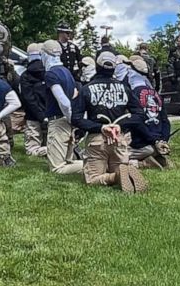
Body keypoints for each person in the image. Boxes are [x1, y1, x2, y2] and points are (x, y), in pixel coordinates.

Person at [72, 52, 148, 193]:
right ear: (113, 69)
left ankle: (116, 176)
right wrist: (120, 125)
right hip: (119, 139)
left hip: (97, 139)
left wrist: (101, 127)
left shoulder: (86, 89)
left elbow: (76, 118)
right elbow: (140, 114)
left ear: (97, 67)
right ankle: (126, 172)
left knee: (92, 179)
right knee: (119, 165)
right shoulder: (125, 88)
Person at [40, 40, 84, 175]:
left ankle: (97, 163)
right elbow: (74, 95)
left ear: (44, 54)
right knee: (68, 161)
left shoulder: (51, 74)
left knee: (57, 168)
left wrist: (71, 118)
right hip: (68, 121)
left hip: (59, 121)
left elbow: (63, 101)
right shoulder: (67, 72)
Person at [126, 58, 173, 170]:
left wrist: (154, 141)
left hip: (142, 144)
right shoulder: (155, 94)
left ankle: (142, 164)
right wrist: (163, 141)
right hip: (158, 144)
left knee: (112, 157)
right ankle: (158, 157)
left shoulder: (132, 94)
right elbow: (165, 121)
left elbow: (137, 124)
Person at [19, 43, 48, 158]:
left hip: (32, 117)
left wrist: (40, 116)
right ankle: (54, 148)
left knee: (32, 150)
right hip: (51, 116)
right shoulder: (49, 72)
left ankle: (49, 149)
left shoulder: (25, 76)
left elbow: (28, 98)